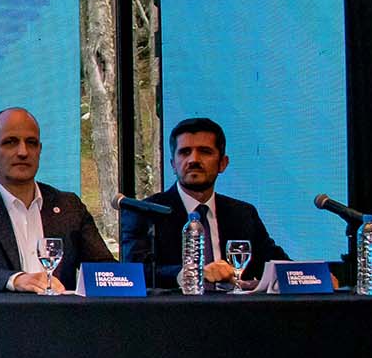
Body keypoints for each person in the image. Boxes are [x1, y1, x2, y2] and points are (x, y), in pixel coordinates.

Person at [0, 106, 114, 293]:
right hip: (2, 311)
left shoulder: (68, 206)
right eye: (10, 142)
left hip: (61, 311)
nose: (23, 152)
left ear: (40, 150)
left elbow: (104, 269)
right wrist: (16, 280)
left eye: (31, 143)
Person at [119, 117, 290, 290]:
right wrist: (187, 274)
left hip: (237, 306)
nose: (193, 159)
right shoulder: (146, 212)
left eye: (205, 152)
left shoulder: (243, 214)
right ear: (173, 164)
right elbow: (132, 272)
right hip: (175, 306)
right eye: (185, 152)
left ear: (222, 163)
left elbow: (279, 266)